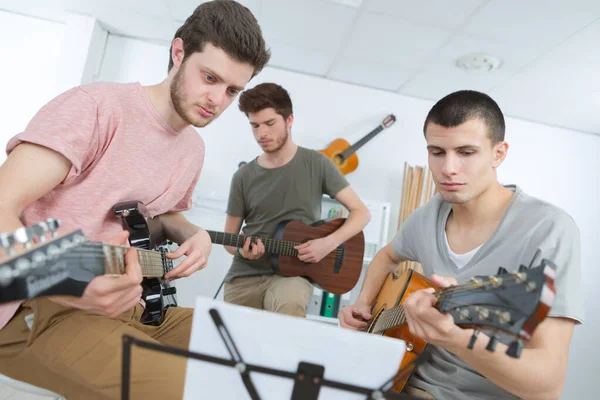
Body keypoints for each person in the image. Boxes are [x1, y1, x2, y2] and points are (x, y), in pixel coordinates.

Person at [0, 1, 270, 399]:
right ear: (179, 53)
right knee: (194, 390)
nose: (217, 99)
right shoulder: (95, 108)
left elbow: (158, 212)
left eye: (232, 90)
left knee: (261, 355)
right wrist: (66, 282)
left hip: (131, 299)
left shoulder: (192, 149)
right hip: (32, 303)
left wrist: (193, 233)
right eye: (209, 77)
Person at [339, 90, 584, 400]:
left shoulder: (547, 229)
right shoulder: (429, 214)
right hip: (396, 380)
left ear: (499, 153)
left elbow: (547, 388)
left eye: (466, 152)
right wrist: (364, 307)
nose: (448, 169)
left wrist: (456, 338)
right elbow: (387, 256)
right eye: (437, 152)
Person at [222, 82, 371, 317]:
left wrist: (328, 244)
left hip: (292, 275)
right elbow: (230, 239)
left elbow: (361, 213)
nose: (262, 134)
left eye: (270, 124)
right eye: (255, 126)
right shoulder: (242, 177)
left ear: (289, 120)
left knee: (289, 312)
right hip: (244, 276)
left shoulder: (317, 163)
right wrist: (242, 251)